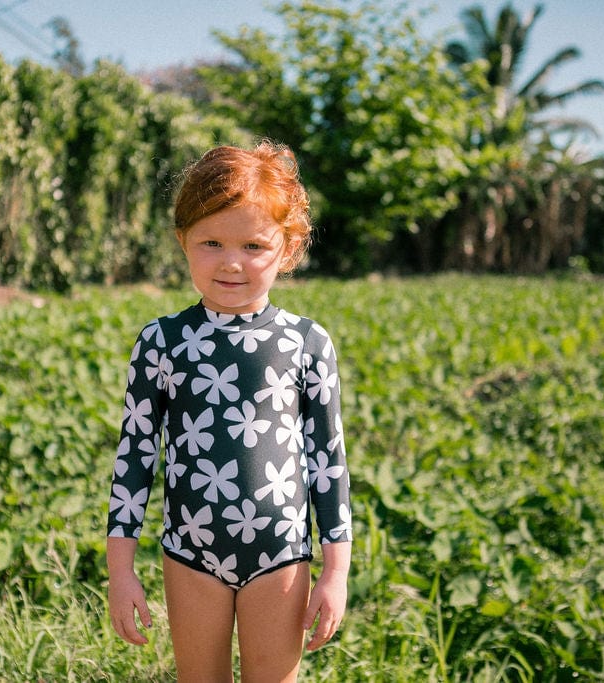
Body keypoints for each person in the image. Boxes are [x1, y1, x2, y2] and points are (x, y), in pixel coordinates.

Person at [106, 141, 352, 683]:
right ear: (183, 241)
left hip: (282, 557)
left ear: (287, 250)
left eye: (254, 245)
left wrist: (335, 572)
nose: (232, 261)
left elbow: (328, 463)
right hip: (190, 555)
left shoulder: (307, 343)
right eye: (211, 242)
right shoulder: (162, 342)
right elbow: (135, 458)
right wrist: (120, 571)